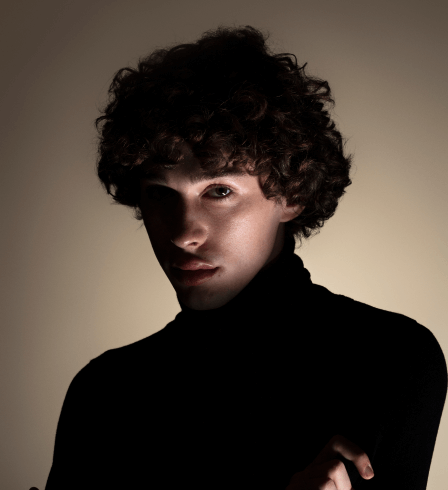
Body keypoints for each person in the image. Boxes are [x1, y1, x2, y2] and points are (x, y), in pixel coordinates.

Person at [43, 25, 447, 489]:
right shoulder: (104, 392)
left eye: (219, 191)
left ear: (292, 195)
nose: (183, 233)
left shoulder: (388, 360)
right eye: (159, 193)